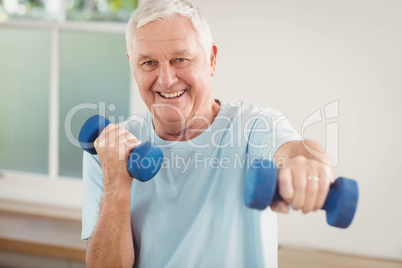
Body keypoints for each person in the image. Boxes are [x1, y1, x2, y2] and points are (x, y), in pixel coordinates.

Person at [81, 0, 335, 267]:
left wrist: (309, 168)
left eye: (180, 59)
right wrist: (116, 185)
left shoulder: (253, 126)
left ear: (212, 59)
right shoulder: (109, 150)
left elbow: (297, 150)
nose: (166, 79)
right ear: (133, 66)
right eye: (149, 63)